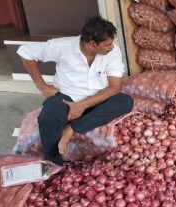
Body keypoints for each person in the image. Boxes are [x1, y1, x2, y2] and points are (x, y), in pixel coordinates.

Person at [17, 16, 134, 166]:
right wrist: (41, 86)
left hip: (99, 99)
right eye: (107, 44)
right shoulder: (62, 46)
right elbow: (25, 52)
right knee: (48, 116)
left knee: (125, 101)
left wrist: (82, 106)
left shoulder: (113, 52)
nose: (111, 47)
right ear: (92, 44)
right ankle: (54, 164)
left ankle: (70, 128)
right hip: (67, 99)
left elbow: (114, 87)